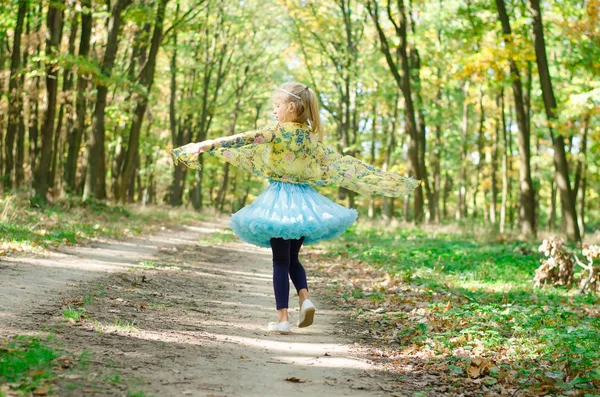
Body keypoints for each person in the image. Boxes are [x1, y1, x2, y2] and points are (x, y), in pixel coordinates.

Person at [171, 82, 420, 335]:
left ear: (291, 107)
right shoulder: (309, 139)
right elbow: (343, 165)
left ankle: (283, 318)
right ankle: (305, 299)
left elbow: (240, 140)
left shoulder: (276, 132)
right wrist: (386, 180)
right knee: (292, 258)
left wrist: (204, 145)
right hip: (305, 204)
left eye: (277, 105)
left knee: (280, 260)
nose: (274, 111)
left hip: (279, 202)